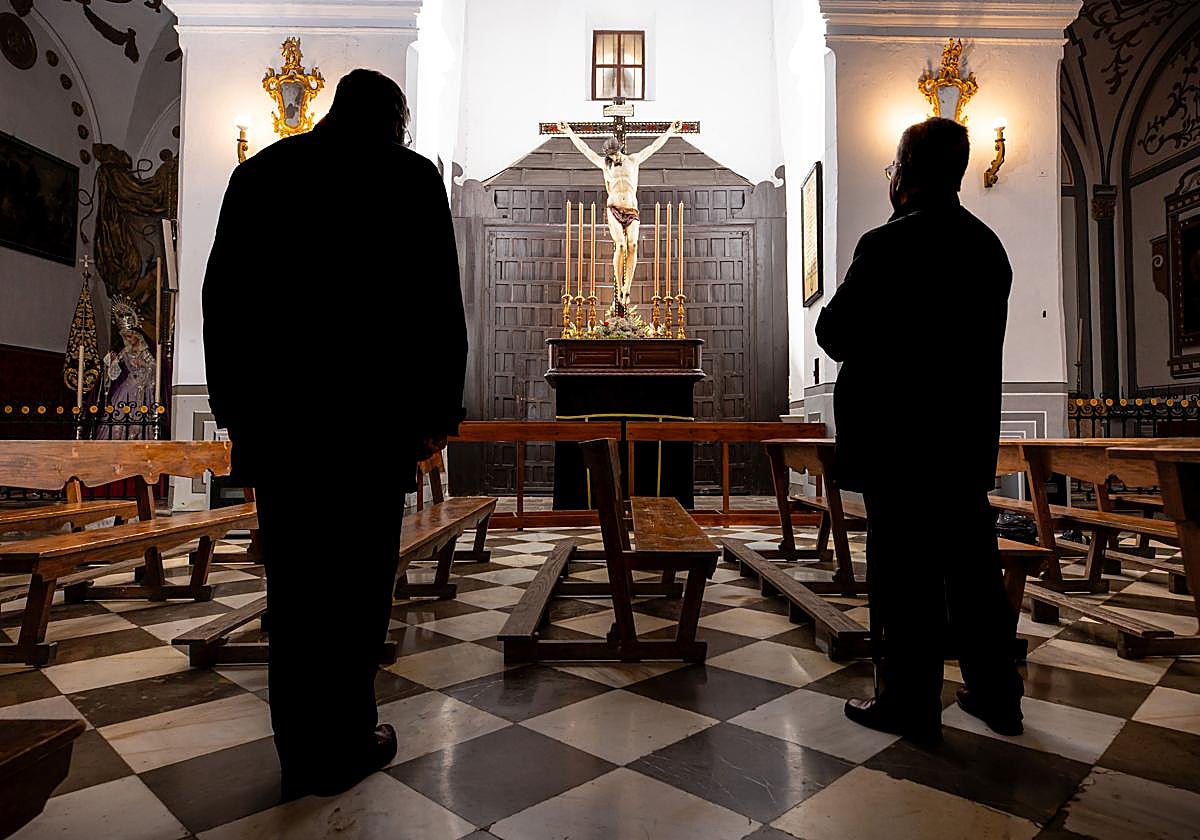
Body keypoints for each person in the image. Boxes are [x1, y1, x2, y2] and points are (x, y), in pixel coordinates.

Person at [202, 69, 468, 798]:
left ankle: (299, 749)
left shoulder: (260, 175)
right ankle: (347, 739)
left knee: (295, 592)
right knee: (356, 587)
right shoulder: (409, 178)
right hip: (370, 427)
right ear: (397, 122)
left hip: (284, 428)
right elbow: (438, 305)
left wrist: (236, 412)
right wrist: (436, 416)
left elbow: (221, 300)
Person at [815, 117, 1023, 741]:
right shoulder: (987, 247)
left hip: (897, 443)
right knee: (973, 569)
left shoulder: (888, 245)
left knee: (903, 573)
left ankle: (909, 700)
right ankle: (996, 695)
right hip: (962, 439)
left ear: (904, 173)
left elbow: (835, 333)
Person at [556, 119, 682, 311]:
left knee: (633, 245)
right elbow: (585, 149)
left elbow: (654, 146)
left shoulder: (633, 160)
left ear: (620, 150)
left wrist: (671, 130)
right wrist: (569, 132)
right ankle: (618, 285)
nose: (613, 158)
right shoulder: (604, 165)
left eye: (614, 154)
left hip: (631, 209)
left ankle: (626, 289)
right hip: (614, 207)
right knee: (621, 245)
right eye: (610, 155)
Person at [97, 296, 156, 440]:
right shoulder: (125, 351)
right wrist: (110, 361)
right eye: (126, 337)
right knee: (119, 413)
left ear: (137, 335)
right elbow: (113, 372)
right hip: (127, 387)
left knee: (139, 418)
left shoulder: (145, 351)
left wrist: (145, 366)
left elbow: (154, 367)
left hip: (142, 387)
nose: (128, 340)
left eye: (130, 336)